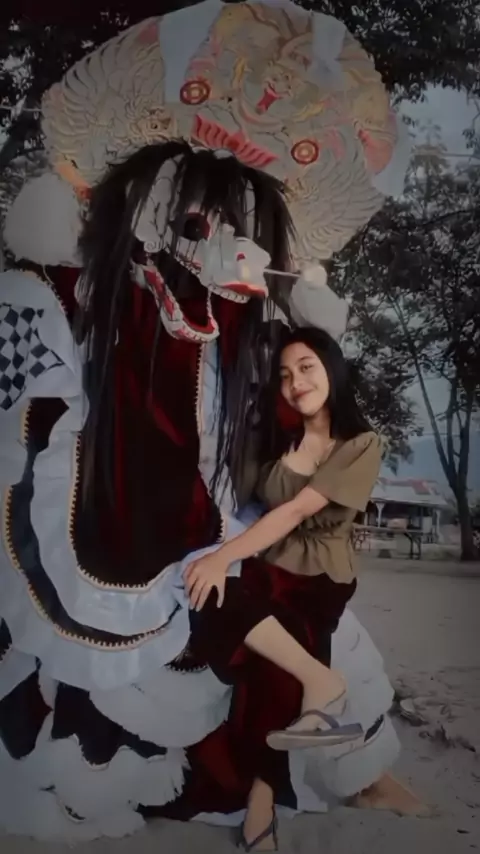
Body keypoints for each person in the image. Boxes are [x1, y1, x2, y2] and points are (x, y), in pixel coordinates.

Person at [0, 2, 415, 843]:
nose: (228, 246)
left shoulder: (254, 338)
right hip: (137, 516)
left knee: (288, 617)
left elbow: (284, 434)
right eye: (201, 221)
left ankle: (326, 771)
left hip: (230, 525)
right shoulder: (86, 296)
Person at [180, 325, 382, 849]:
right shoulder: (273, 440)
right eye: (286, 375)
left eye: (307, 368)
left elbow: (293, 512)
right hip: (267, 568)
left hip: (319, 580)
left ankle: (260, 807)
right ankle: (322, 679)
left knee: (274, 670)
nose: (296, 383)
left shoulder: (360, 444)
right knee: (211, 600)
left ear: (332, 369)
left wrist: (222, 557)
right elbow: (231, 490)